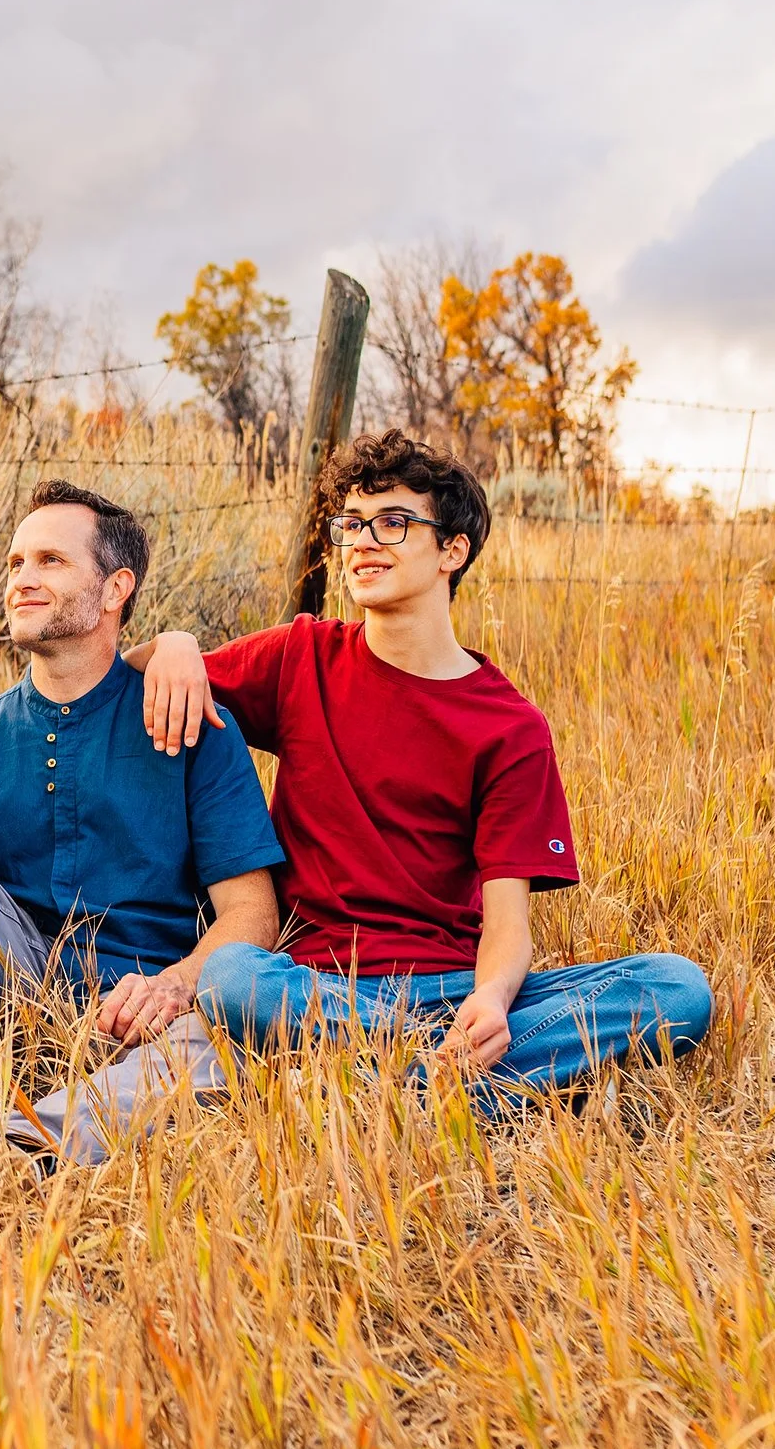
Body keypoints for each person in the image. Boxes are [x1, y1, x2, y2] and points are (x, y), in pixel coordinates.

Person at [136, 426, 713, 1102]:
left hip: (454, 984)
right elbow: (131, 681)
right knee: (232, 977)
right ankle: (460, 1088)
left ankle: (399, 1084)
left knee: (677, 987)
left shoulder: (509, 727)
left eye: (393, 521)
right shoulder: (301, 657)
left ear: (453, 549)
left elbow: (506, 925)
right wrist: (175, 643)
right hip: (316, 985)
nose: (362, 540)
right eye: (351, 522)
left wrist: (494, 1001)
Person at [0, 482, 283, 1156]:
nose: (21, 580)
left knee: (222, 1043)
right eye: (16, 562)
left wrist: (174, 984)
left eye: (50, 561)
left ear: (114, 590)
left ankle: (11, 1149)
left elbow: (253, 913)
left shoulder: (192, 726)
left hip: (142, 1000)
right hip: (11, 984)